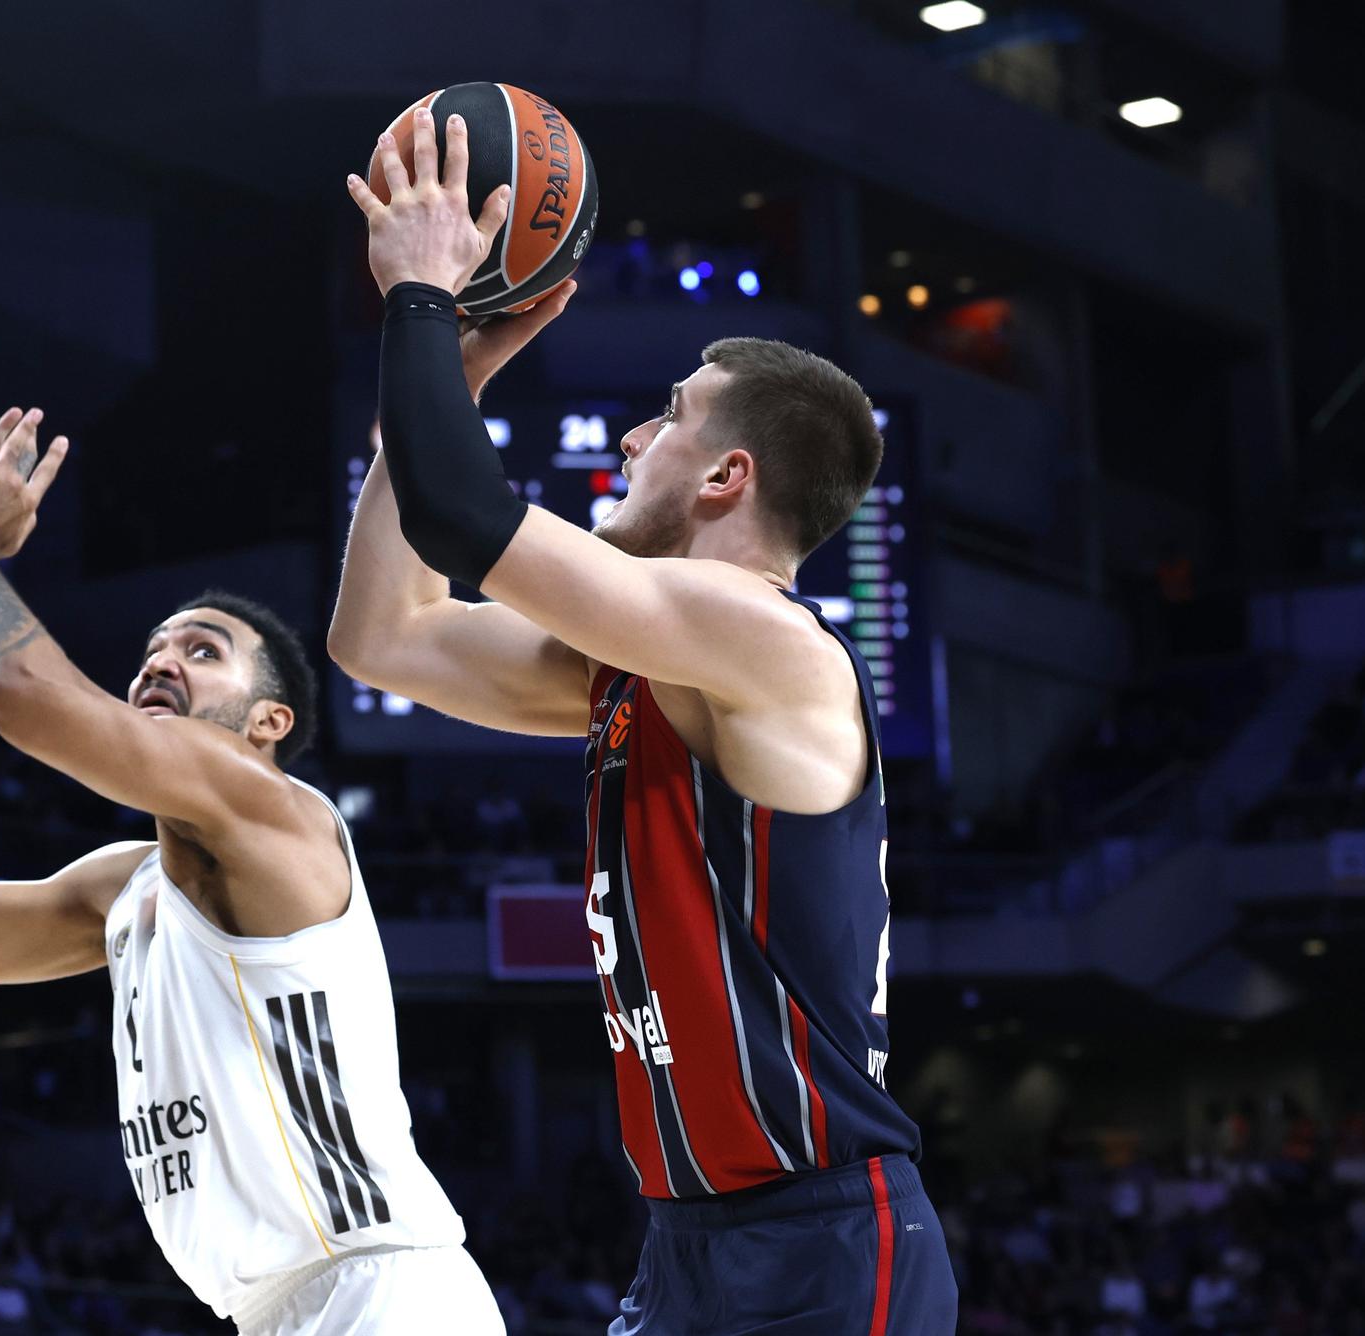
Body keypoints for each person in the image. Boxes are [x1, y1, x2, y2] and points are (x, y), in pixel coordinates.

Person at [335, 104, 958, 1331]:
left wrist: (420, 299)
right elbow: (382, 635)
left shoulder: (765, 641)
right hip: (685, 1240)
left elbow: (463, 517)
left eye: (667, 415)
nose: (628, 436)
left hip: (823, 1238)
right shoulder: (634, 668)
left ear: (728, 477)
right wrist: (442, 380)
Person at [0, 406, 500, 1335]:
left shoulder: (280, 816)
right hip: (275, 1311)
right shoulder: (127, 884)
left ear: (269, 727)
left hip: (382, 1293)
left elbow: (22, 695)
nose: (160, 663)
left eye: (202, 651)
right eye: (152, 650)